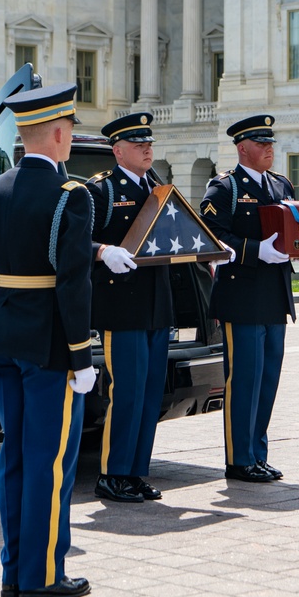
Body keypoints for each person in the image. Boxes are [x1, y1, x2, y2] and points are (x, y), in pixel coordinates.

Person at [0, 83, 95, 597]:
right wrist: (81, 355)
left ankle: (14, 571)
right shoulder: (70, 196)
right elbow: (73, 281)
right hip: (49, 344)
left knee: (14, 455)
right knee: (48, 460)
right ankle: (41, 577)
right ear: (59, 135)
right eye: (71, 131)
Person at [199, 115, 295, 483]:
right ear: (243, 148)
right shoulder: (225, 188)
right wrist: (254, 251)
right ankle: (240, 459)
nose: (270, 148)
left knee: (268, 377)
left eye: (271, 142)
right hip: (241, 296)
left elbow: (293, 225)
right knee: (245, 380)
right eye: (261, 143)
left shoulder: (280, 184)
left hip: (274, 295)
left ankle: (258, 453)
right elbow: (211, 235)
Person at [84, 113, 174, 503]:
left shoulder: (159, 188)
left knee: (150, 394)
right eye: (138, 144)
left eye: (148, 143)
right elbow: (77, 241)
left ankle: (136, 472)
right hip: (121, 307)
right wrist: (103, 253)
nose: (147, 149)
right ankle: (113, 473)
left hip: (156, 305)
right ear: (118, 151)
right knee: (128, 392)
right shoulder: (101, 190)